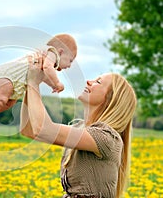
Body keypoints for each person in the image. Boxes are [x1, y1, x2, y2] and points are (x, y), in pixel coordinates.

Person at [20, 62, 137, 198]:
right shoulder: (80, 128)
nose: (88, 81)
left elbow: (44, 129)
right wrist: (29, 86)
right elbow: (27, 130)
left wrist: (33, 82)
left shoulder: (106, 138)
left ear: (111, 99)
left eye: (98, 82)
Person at [0, 33, 77, 136]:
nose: (70, 65)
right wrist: (57, 82)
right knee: (1, 100)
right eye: (70, 60)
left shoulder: (43, 59)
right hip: (8, 75)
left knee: (8, 103)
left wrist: (53, 85)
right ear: (61, 52)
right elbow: (48, 67)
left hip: (14, 80)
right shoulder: (52, 52)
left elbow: (43, 75)